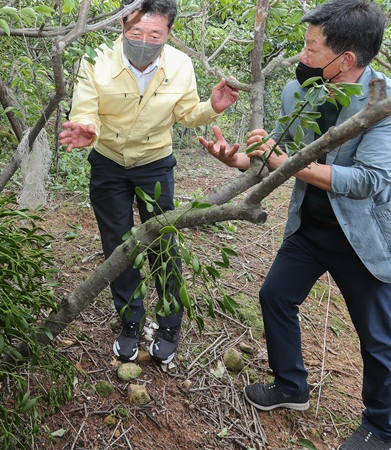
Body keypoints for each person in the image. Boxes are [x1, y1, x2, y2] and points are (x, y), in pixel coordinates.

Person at [199, 0, 391, 448]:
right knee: (275, 296)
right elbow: (276, 156)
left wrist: (287, 163)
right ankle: (291, 386)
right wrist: (240, 160)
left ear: (346, 59)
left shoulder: (382, 103)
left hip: (363, 237)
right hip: (311, 224)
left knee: (378, 337)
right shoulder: (298, 93)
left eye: (311, 48)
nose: (301, 57)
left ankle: (382, 427)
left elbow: (369, 181)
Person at [58, 0, 239, 365]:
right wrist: (86, 128)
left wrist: (212, 108)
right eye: (135, 32)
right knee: (118, 245)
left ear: (169, 33)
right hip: (108, 163)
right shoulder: (96, 59)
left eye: (154, 34)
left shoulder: (180, 64)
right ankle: (130, 320)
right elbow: (85, 108)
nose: (143, 40)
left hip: (155, 164)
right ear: (122, 26)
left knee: (163, 243)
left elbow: (186, 114)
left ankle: (170, 321)